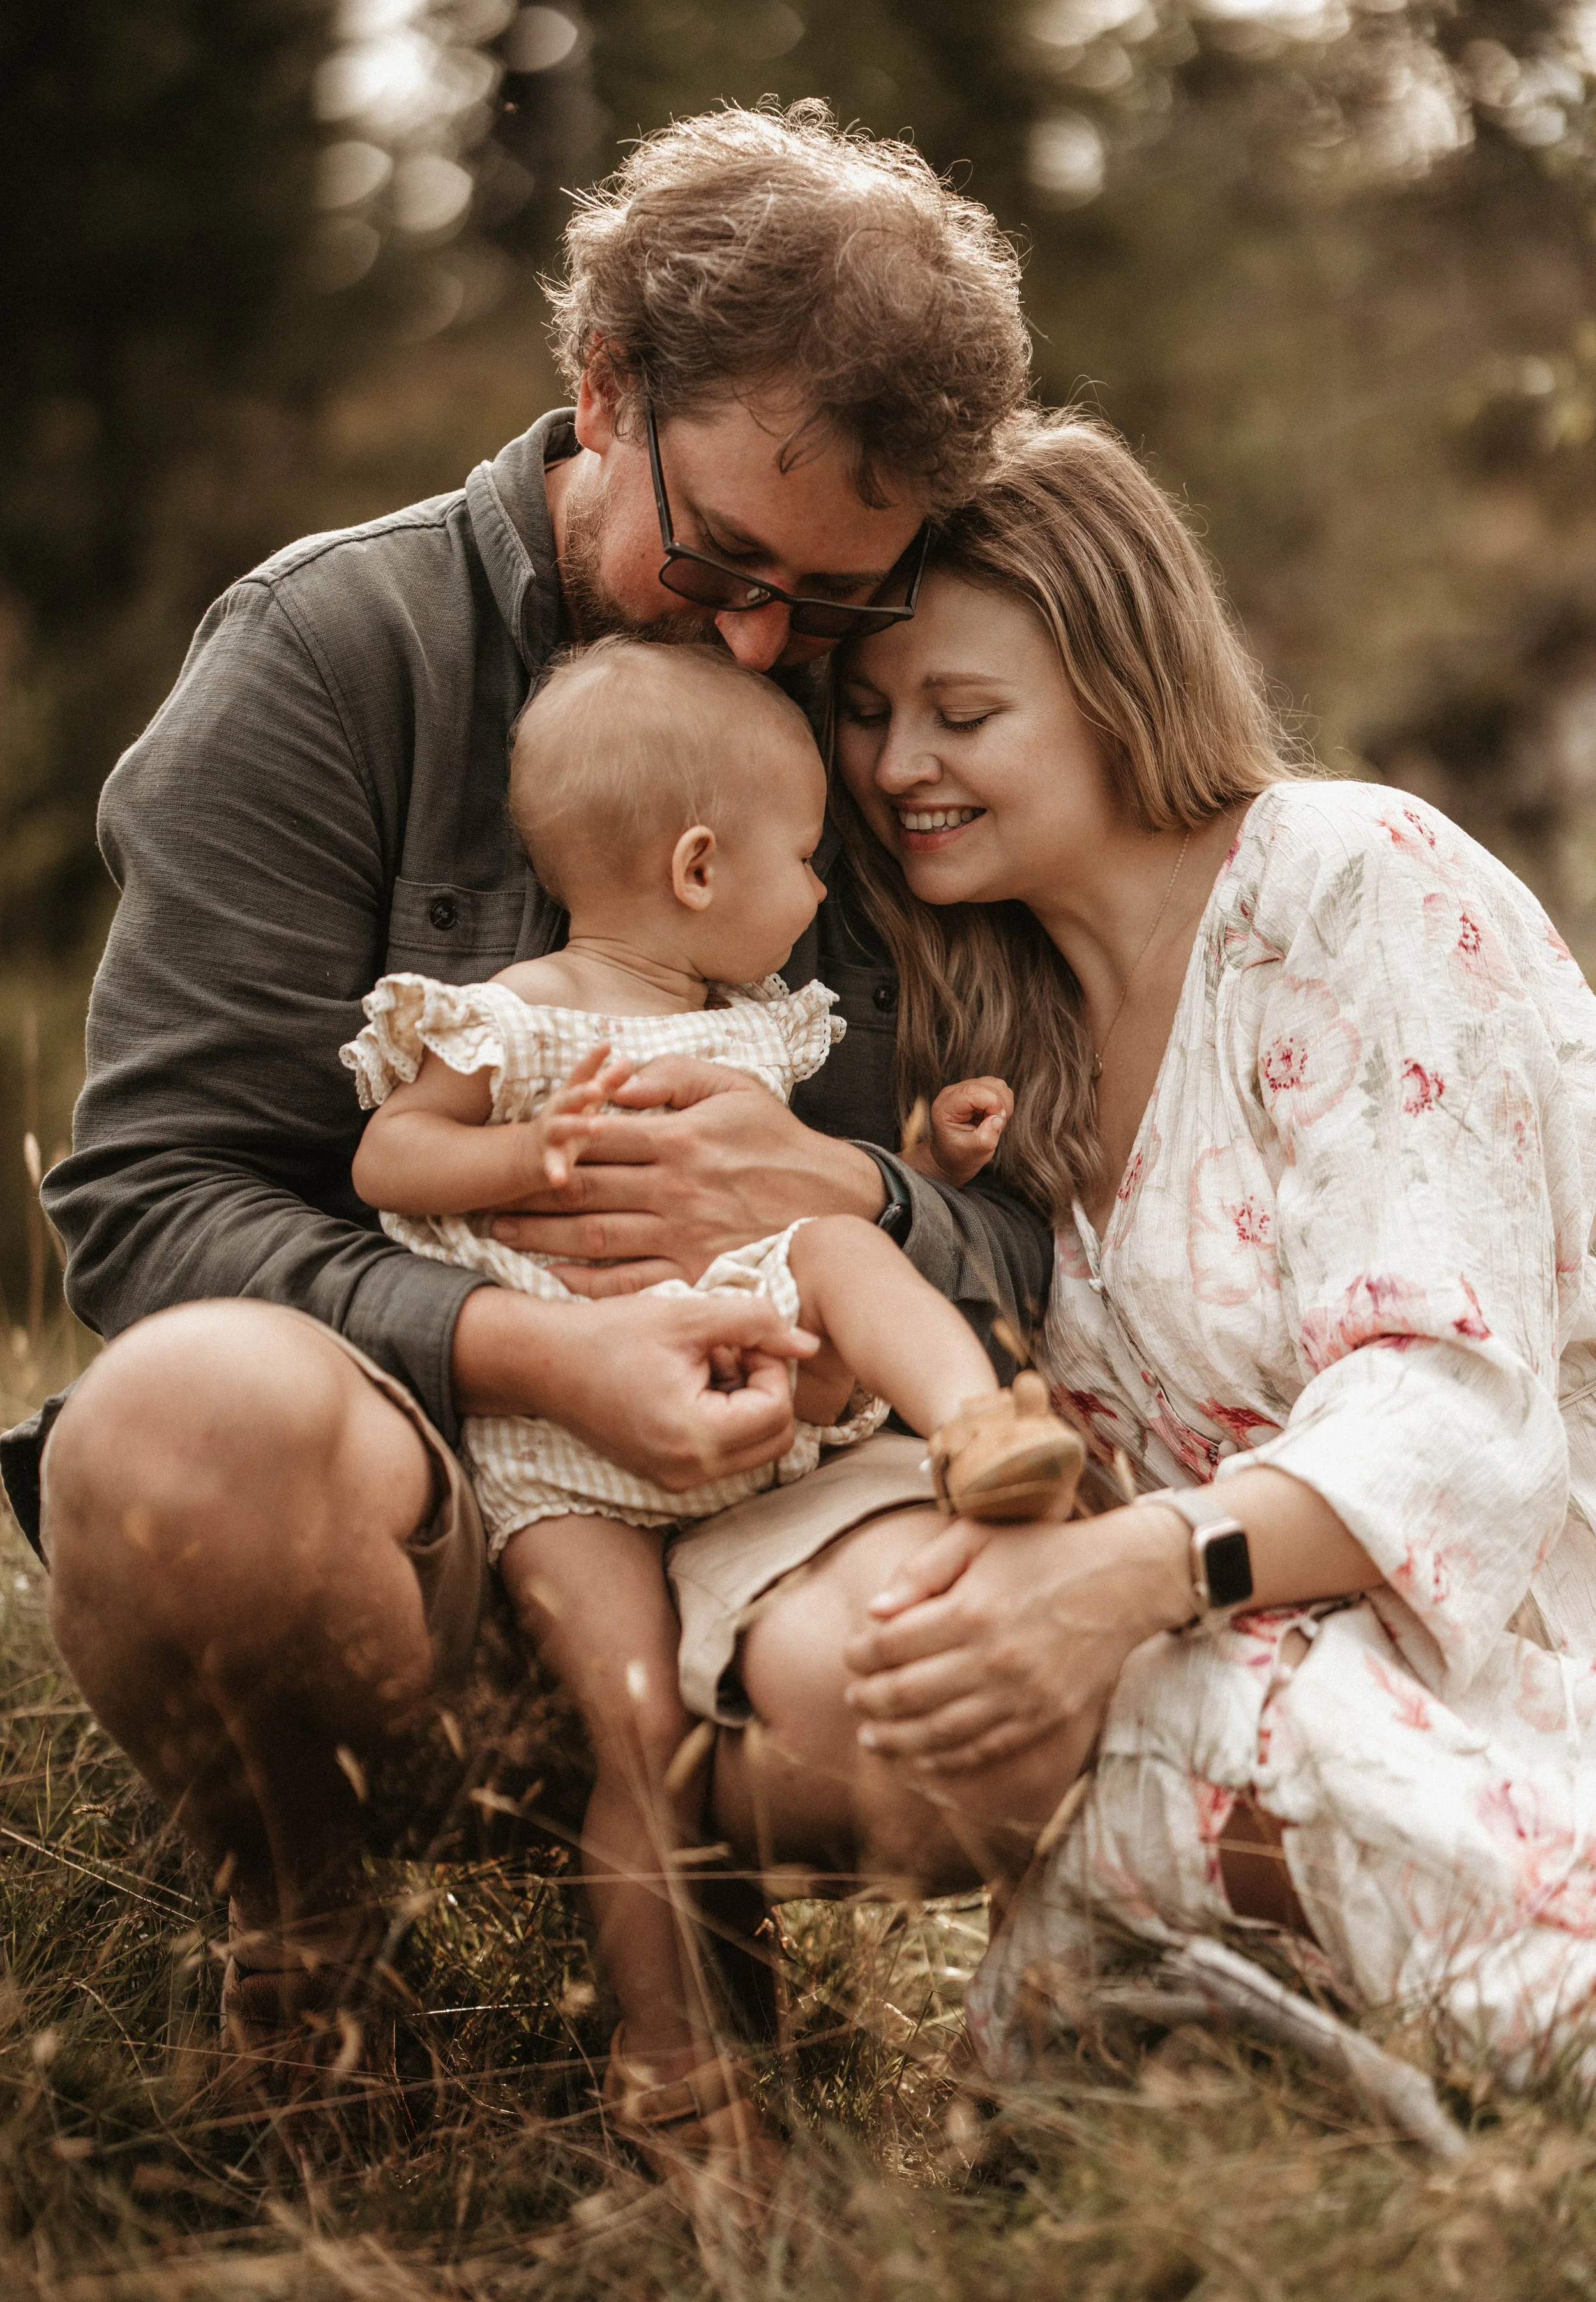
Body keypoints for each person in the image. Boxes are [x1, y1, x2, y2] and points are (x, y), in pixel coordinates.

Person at [3, 102, 1044, 2095]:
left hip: (782, 1489)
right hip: (430, 1513)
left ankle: (729, 1947)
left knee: (994, 1659)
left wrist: (859, 1198)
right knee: (175, 1423)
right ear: (601, 386)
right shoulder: (338, 653)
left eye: (822, 601)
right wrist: (542, 1357)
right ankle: (305, 1923)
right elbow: (144, 1197)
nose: (760, 640)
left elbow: (1041, 1220)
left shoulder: (908, 702)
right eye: (726, 558)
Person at [682, 410, 1596, 2090]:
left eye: (964, 713)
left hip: (1510, 1635)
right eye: (870, 716)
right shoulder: (982, 1020)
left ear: (1118, 684)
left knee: (1201, 1723)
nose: (896, 770)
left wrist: (1120, 1576)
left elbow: (1446, 1404)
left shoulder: (1346, 881)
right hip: (1217, 1655)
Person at [340, 635, 1078, 2178]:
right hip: (569, 1458)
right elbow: (387, 1164)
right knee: (641, 1733)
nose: (822, 891)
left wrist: (927, 1163)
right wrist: (524, 1163)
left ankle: (978, 1429)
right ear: (696, 864)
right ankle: (671, 2063)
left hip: (753, 1395)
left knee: (836, 1234)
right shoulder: (516, 1026)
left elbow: (805, 1184)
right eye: (803, 857)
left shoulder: (757, 1025)